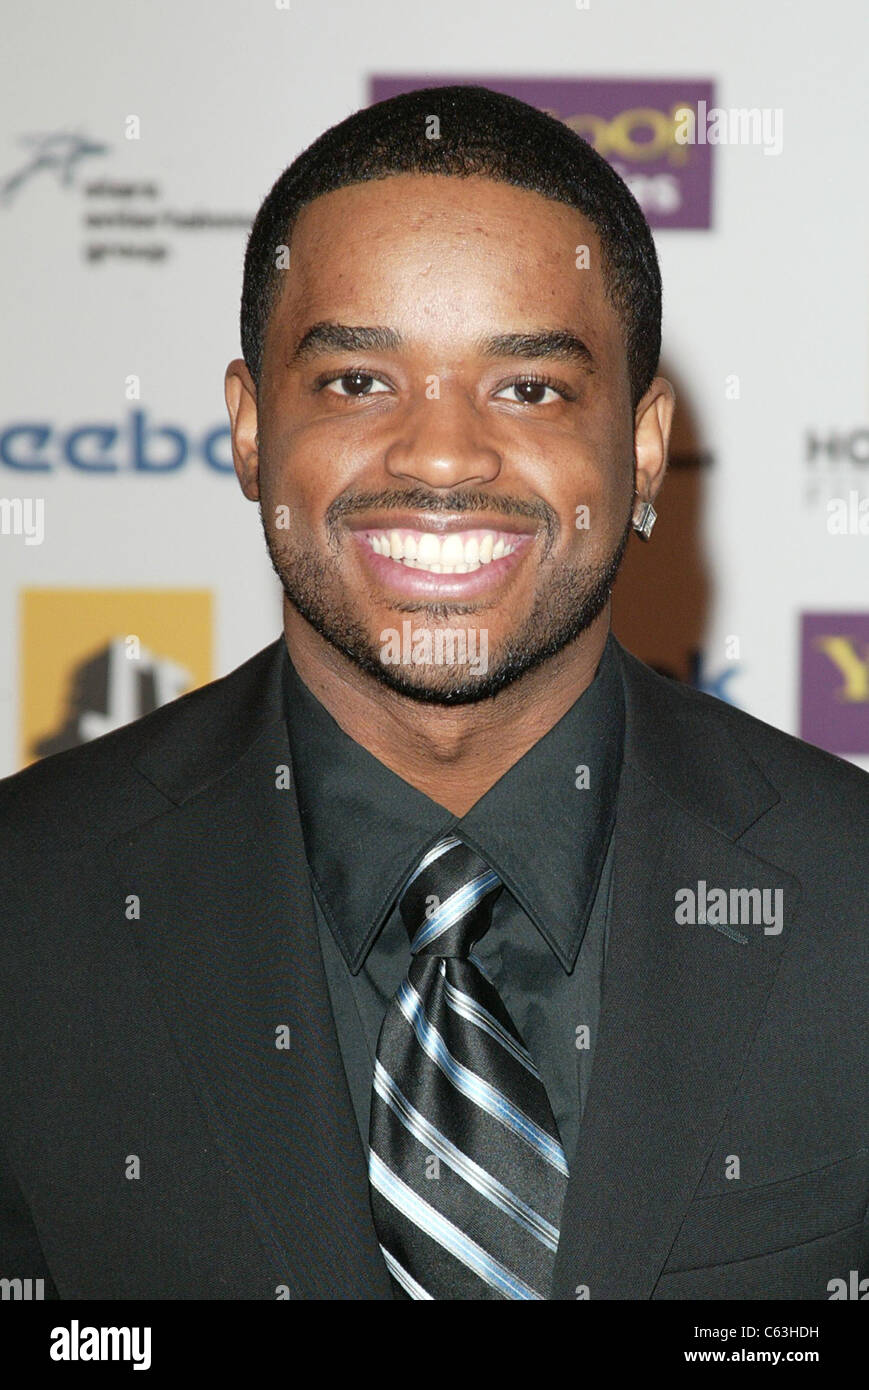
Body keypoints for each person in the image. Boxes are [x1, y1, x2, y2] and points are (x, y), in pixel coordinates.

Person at [1, 85, 866, 1302]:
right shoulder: (30, 902)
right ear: (251, 431)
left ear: (642, 443)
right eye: (357, 380)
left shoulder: (850, 896)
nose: (441, 457)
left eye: (528, 388)